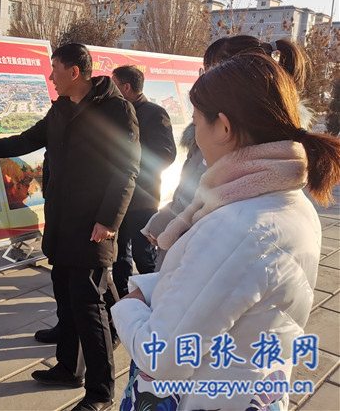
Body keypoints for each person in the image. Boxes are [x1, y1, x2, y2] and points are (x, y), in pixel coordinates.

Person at [111, 53, 340, 410]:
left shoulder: (237, 228)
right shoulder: (290, 201)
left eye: (196, 123)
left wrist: (127, 307)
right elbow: (231, 293)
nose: (196, 138)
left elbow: (164, 356)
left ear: (223, 127)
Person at [0, 43, 140, 411]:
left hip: (92, 226)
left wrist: (108, 220)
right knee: (66, 302)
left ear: (74, 72)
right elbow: (27, 140)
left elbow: (127, 170)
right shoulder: (61, 108)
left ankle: (101, 392)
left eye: (55, 69)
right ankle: (68, 369)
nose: (51, 77)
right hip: (61, 221)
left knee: (90, 308)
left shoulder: (117, 110)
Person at [141, 36, 313, 267]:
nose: (205, 80)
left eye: (211, 71)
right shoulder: (271, 155)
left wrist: (168, 226)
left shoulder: (241, 227)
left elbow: (187, 289)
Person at [110, 65, 176, 298]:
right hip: (117, 195)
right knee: (119, 255)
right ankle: (122, 301)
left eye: (114, 84)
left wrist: (133, 172)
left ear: (126, 87)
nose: (111, 90)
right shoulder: (116, 113)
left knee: (144, 255)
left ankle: (157, 299)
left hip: (141, 197)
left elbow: (166, 154)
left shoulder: (154, 113)